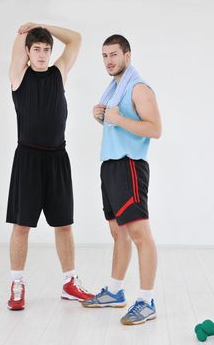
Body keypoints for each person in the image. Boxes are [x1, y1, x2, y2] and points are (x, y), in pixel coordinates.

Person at [6, 22, 93, 310]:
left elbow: (76, 38)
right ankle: (17, 283)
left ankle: (70, 282)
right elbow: (21, 40)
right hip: (28, 160)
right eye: (37, 49)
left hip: (57, 159)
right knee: (22, 226)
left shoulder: (59, 73)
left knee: (64, 225)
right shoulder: (18, 76)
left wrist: (43, 25)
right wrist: (28, 30)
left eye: (46, 49)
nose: (42, 54)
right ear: (28, 53)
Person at [82, 35, 162, 326]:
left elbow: (155, 129)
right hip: (111, 166)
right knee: (118, 233)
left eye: (114, 54)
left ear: (127, 55)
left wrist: (116, 119)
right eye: (104, 56)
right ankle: (115, 291)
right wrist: (102, 116)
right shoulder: (114, 88)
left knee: (140, 234)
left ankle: (147, 300)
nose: (109, 61)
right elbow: (116, 120)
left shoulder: (139, 88)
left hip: (129, 165)